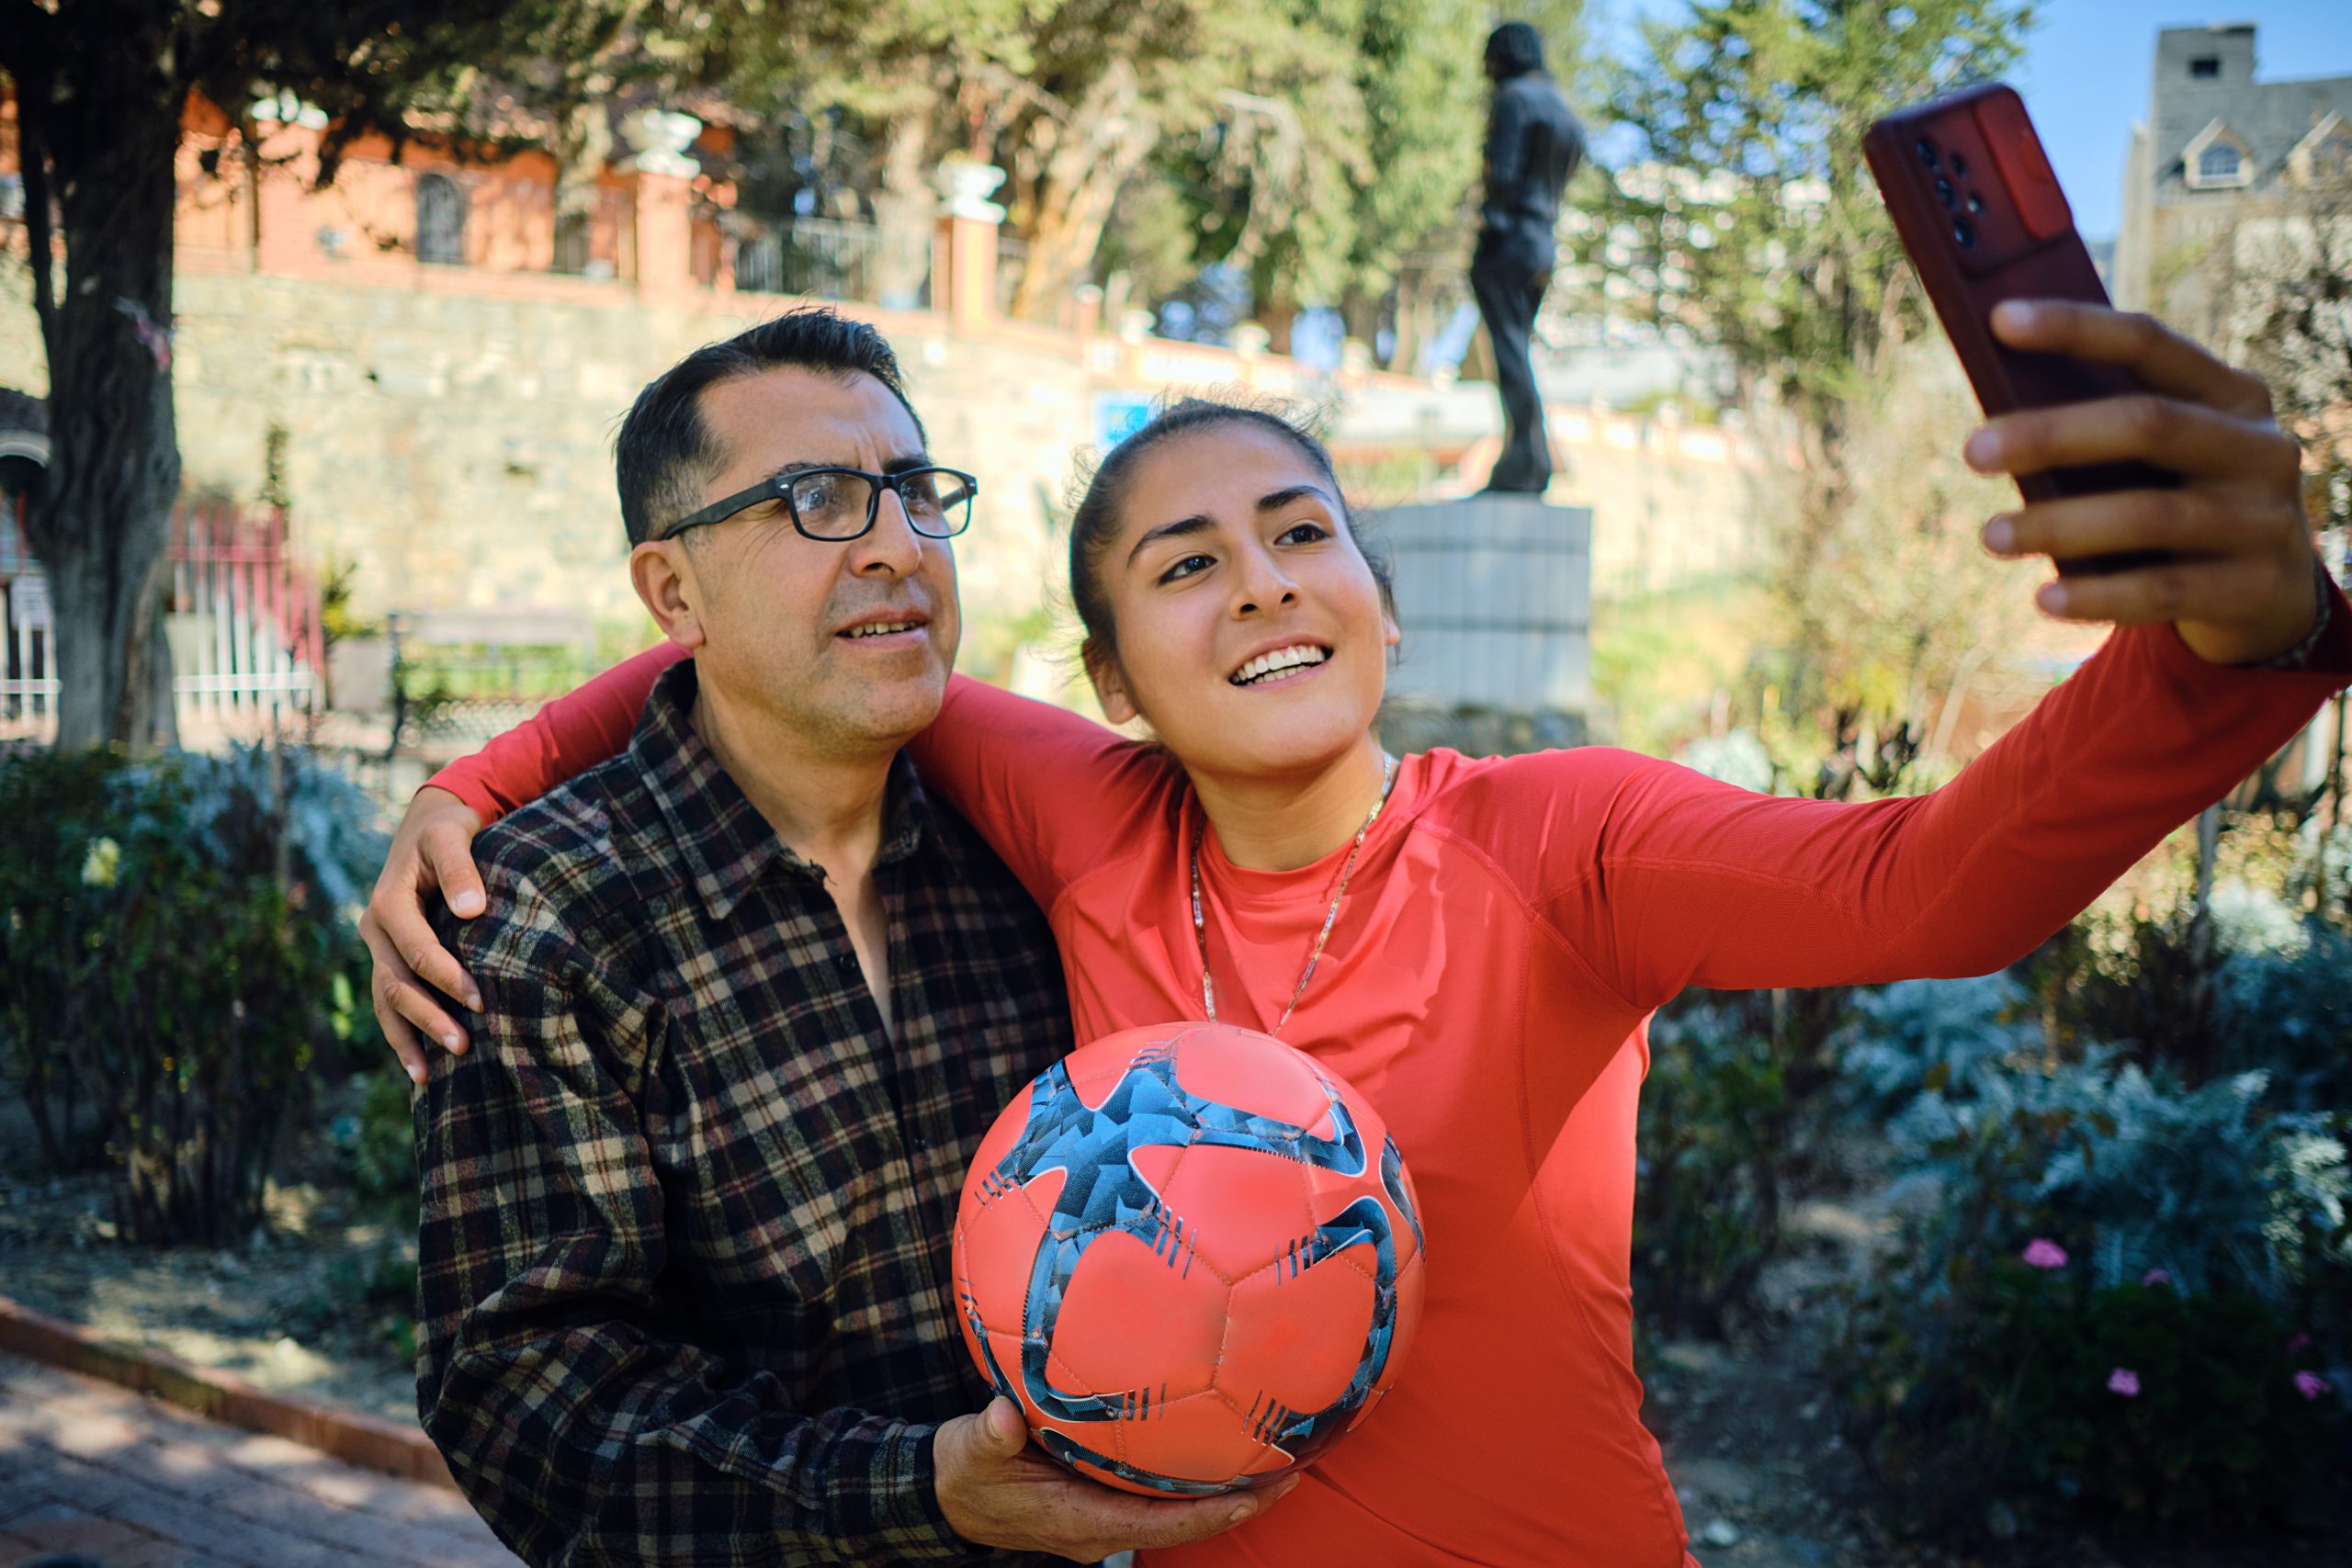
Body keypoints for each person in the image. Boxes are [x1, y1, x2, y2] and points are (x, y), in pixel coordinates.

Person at [371, 299, 2348, 1565]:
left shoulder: (1559, 838)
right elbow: (749, 668)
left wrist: (2233, 638)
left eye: (1303, 531)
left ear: (1381, 601)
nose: (1258, 583)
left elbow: (1930, 884)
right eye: (1183, 561)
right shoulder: (1076, 812)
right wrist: (472, 789)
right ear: (1111, 672)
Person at [376, 308, 1295, 1565]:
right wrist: (922, 1491)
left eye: (915, 492)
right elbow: (527, 1394)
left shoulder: (1019, 860)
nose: (898, 547)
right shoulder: (550, 910)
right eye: (818, 499)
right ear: (672, 590)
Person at [1471, 20, 1584, 494]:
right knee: (1519, 350)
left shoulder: (1515, 98)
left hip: (1510, 237)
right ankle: (1530, 456)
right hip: (1543, 240)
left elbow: (1504, 167)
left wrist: (1491, 218)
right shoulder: (1564, 108)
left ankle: (1527, 458)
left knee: (1510, 351)